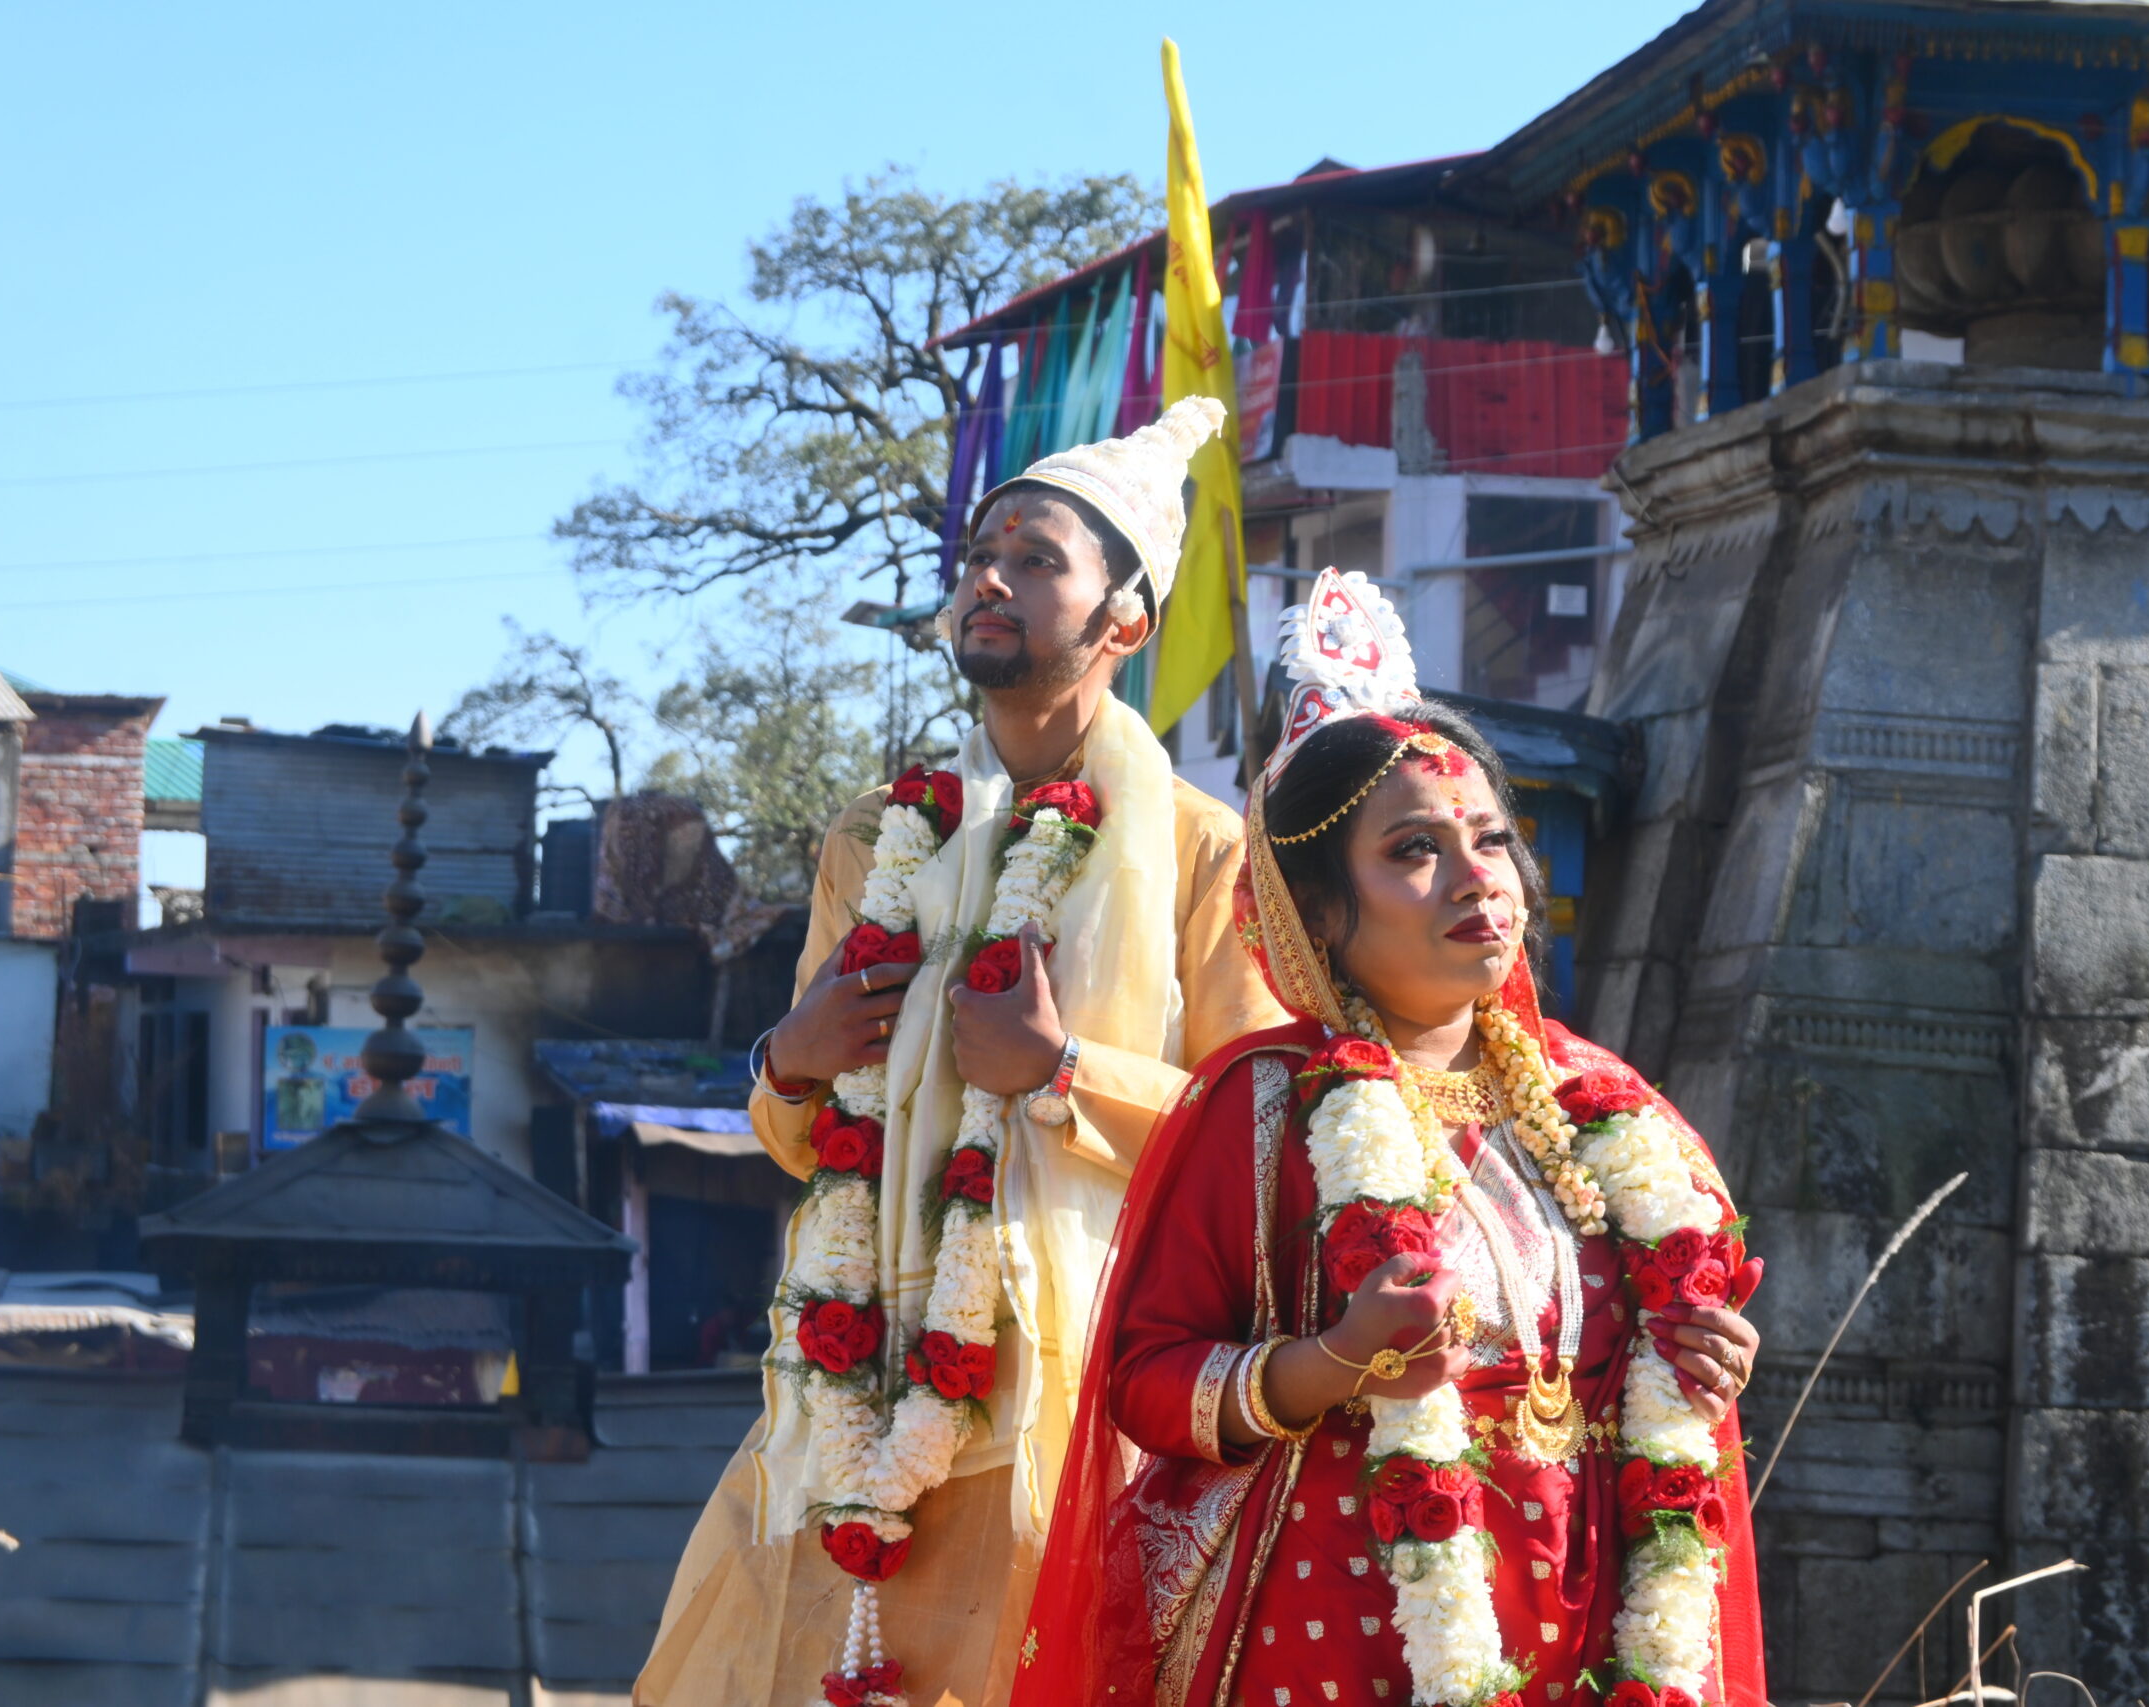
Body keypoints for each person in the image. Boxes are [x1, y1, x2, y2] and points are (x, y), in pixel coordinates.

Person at [1011, 571, 1769, 1707]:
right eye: (1415, 849)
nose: (1477, 880)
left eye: (1491, 839)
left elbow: (1659, 1341)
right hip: (1335, 1622)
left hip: (1584, 1608)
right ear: (1316, 910)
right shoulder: (1266, 1104)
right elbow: (1146, 1380)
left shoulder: (1604, 1106)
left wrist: (1711, 1358)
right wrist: (1334, 1360)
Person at [636, 397, 1287, 1707]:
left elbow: (1263, 1132)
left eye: (1038, 559)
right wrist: (790, 1056)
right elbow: (803, 1142)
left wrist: (1061, 1075)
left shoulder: (1205, 850)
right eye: (982, 554)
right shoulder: (876, 837)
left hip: (1069, 1401)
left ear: (1126, 622)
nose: (989, 578)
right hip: (852, 1385)